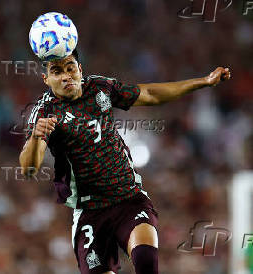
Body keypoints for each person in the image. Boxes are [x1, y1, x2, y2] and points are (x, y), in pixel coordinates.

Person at [19, 49, 231, 274]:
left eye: (70, 68)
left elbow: (149, 94)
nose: (65, 76)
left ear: (80, 69)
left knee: (146, 260)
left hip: (128, 198)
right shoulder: (45, 112)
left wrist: (203, 82)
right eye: (57, 71)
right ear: (46, 79)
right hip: (90, 212)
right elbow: (29, 169)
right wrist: (35, 137)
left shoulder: (100, 87)